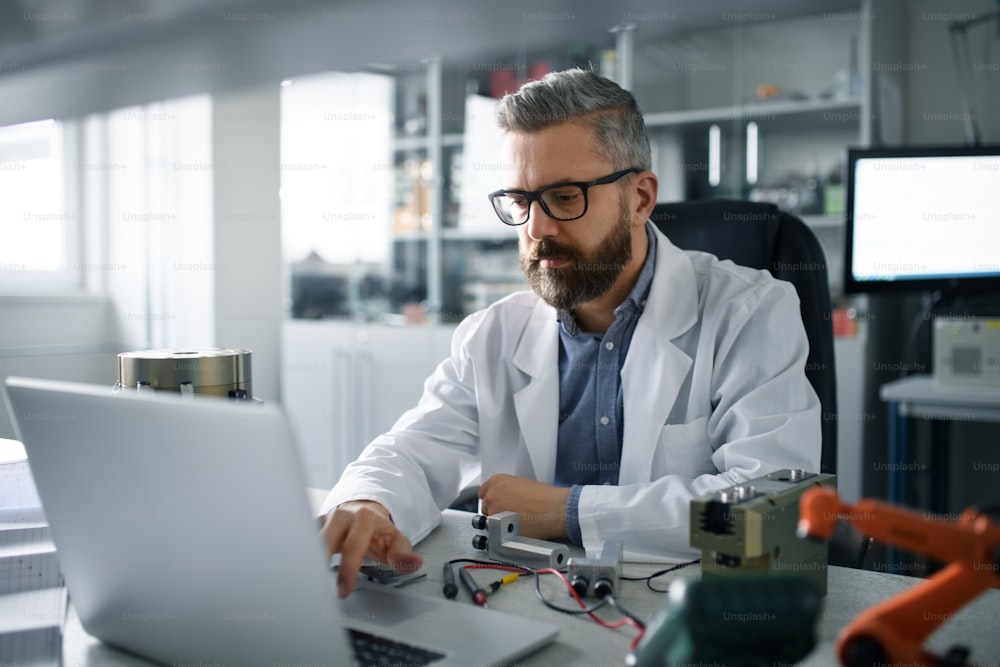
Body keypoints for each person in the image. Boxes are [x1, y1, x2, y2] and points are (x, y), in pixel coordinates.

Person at [319, 68, 820, 598]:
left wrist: (566, 510)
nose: (536, 229)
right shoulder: (494, 333)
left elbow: (771, 513)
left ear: (641, 199)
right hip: (532, 600)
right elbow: (413, 450)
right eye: (520, 202)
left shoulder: (749, 311)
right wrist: (369, 503)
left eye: (563, 197)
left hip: (692, 617)